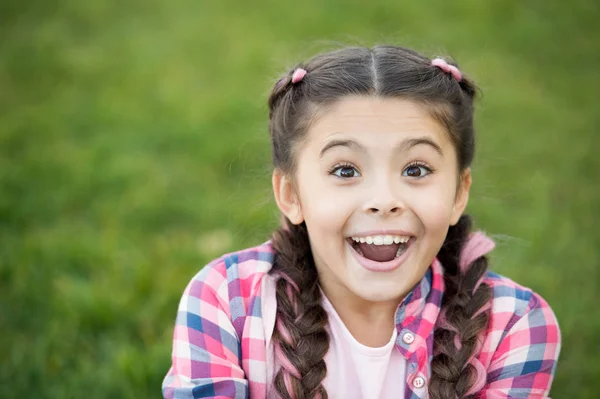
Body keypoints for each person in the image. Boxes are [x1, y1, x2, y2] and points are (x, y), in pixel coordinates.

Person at [161, 45, 561, 399]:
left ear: (459, 193)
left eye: (417, 169)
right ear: (291, 195)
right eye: (345, 171)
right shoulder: (225, 301)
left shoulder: (513, 323)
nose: (383, 201)